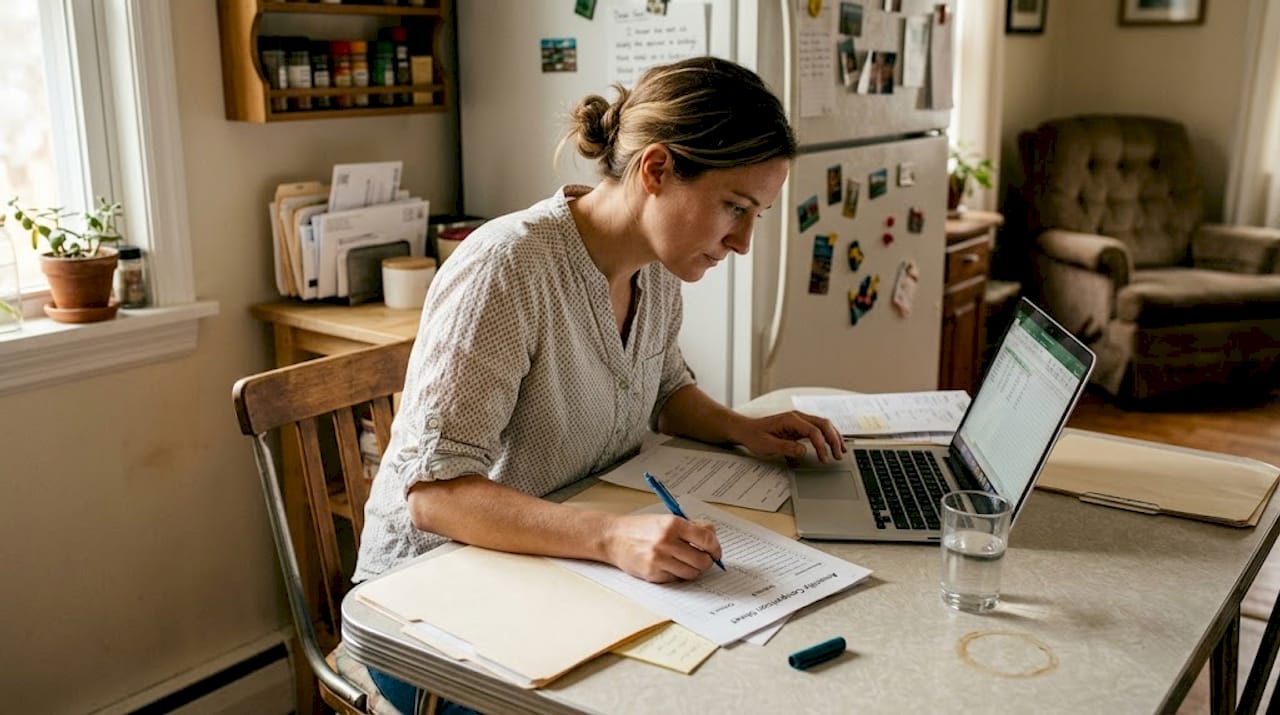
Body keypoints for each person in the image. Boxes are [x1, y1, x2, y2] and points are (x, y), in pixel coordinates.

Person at [355, 56, 845, 714]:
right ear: (657, 169)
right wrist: (611, 538)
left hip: (556, 568)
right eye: (735, 207)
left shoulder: (659, 266)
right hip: (428, 607)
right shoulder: (510, 268)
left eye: (756, 213)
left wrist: (742, 427)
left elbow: (664, 390)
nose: (744, 242)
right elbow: (436, 498)